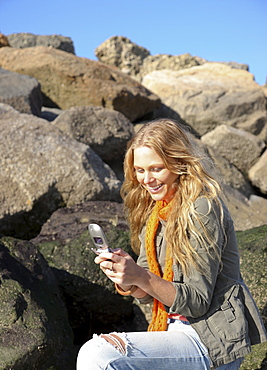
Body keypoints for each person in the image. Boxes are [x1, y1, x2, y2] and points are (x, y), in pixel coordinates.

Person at [77, 119, 267, 370]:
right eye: (140, 170)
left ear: (179, 164)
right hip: (171, 329)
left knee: (99, 354)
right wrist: (128, 279)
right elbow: (150, 294)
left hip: (210, 337)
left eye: (156, 168)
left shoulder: (202, 208)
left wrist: (141, 277)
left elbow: (197, 301)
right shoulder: (154, 212)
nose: (146, 179)